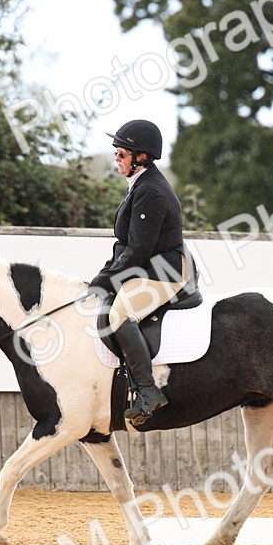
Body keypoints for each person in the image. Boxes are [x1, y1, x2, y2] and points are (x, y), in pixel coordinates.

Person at [88, 119, 188, 425]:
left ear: (141, 157)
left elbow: (139, 250)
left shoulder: (151, 192)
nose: (117, 158)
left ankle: (148, 391)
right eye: (116, 153)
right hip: (146, 268)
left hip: (163, 272)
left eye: (122, 154)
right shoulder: (140, 186)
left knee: (119, 315)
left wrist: (106, 280)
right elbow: (125, 246)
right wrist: (104, 275)